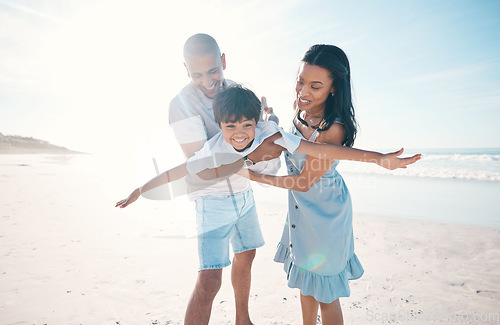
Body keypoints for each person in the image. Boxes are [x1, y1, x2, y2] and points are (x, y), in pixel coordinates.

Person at [241, 44, 420, 325]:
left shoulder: (332, 127)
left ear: (333, 88)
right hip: (301, 210)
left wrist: (255, 176)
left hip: (325, 213)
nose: (303, 91)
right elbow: (289, 143)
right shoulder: (301, 110)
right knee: (305, 280)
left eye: (315, 86)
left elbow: (303, 181)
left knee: (326, 293)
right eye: (300, 81)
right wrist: (271, 120)